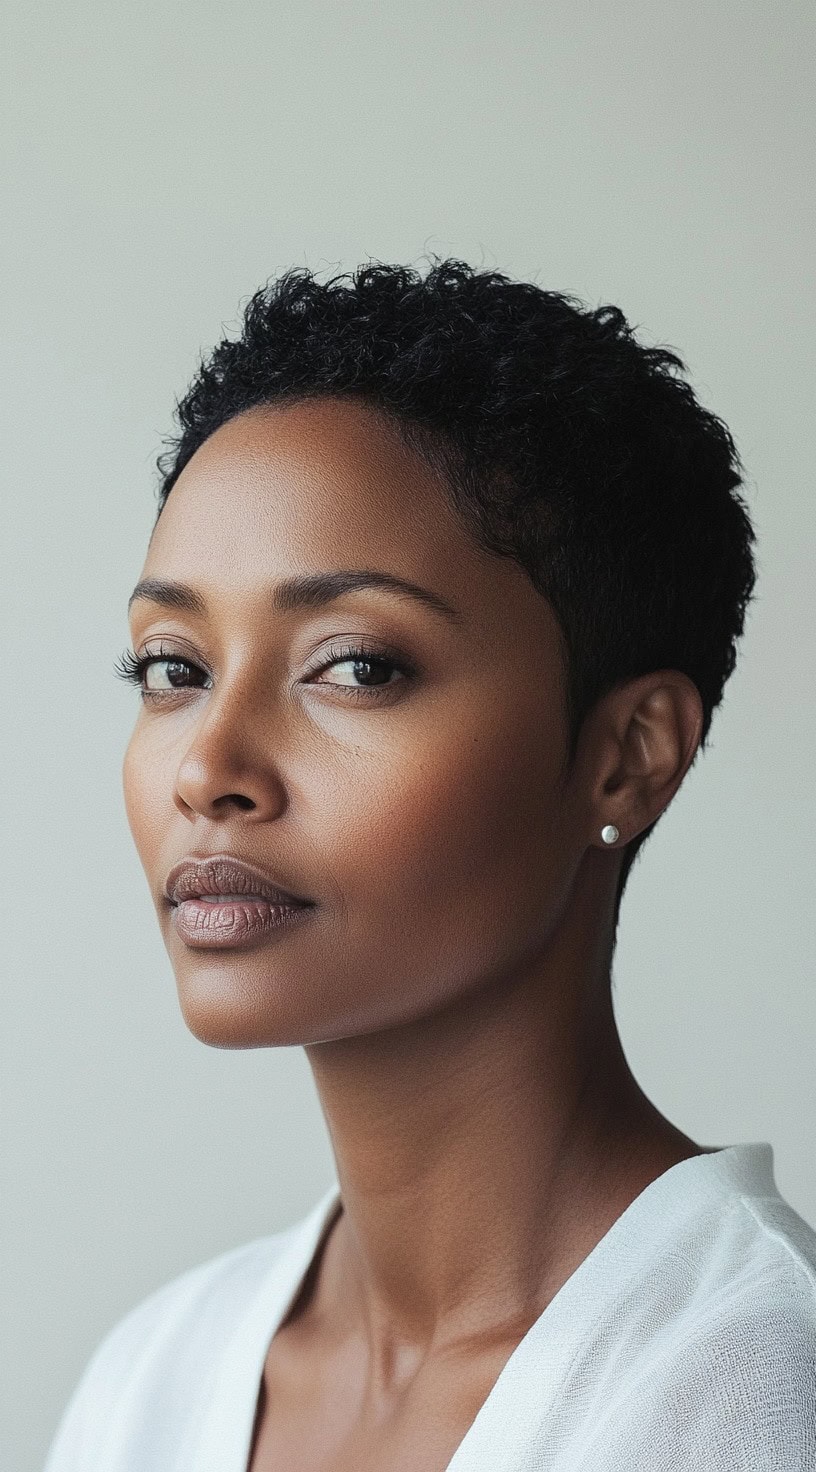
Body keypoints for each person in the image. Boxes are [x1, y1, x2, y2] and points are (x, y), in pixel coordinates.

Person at [44, 260, 816, 1471]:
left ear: (627, 756)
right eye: (172, 668)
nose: (209, 766)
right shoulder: (152, 1379)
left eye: (355, 664)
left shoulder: (748, 1392)